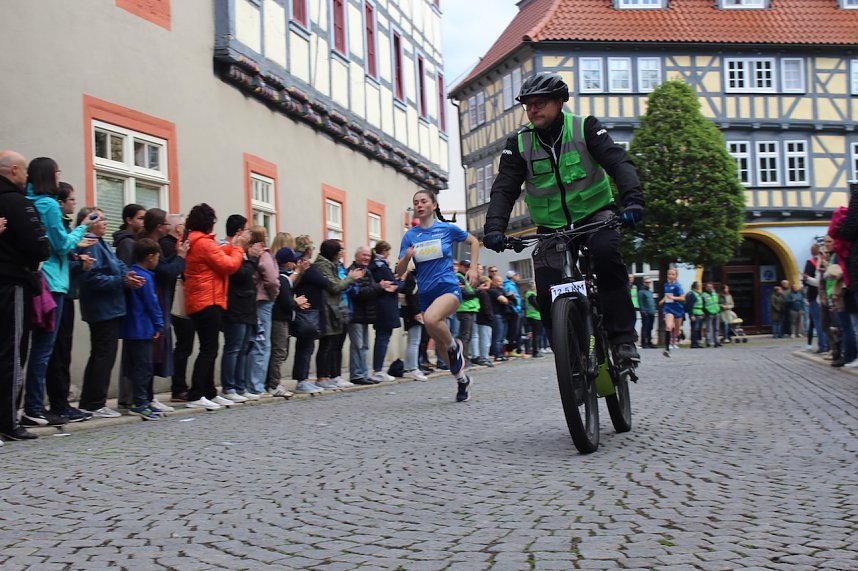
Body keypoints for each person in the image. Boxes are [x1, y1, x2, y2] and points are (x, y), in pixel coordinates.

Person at [482, 72, 644, 371]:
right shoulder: (519, 142)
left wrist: (633, 201)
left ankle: (622, 339)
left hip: (595, 216)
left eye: (540, 103)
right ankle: (570, 358)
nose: (533, 110)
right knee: (546, 289)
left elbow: (618, 162)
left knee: (607, 257)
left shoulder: (585, 128)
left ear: (559, 102)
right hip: (552, 227)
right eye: (528, 105)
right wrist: (494, 228)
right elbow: (504, 188)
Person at [24, 158, 98, 427]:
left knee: (31, 349)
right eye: (57, 173)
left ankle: (33, 405)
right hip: (52, 282)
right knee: (44, 349)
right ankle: (34, 406)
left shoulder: (27, 202)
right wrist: (83, 227)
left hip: (34, 278)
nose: (59, 177)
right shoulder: (49, 205)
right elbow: (62, 245)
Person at [396, 190, 480, 402]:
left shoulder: (447, 229)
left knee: (432, 319)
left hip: (448, 287)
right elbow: (398, 271)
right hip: (426, 293)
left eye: (423, 201)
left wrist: (474, 268)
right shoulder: (410, 236)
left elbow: (474, 241)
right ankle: (462, 380)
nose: (419, 205)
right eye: (416, 202)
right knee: (440, 346)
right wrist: (406, 257)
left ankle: (455, 346)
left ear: (433, 205)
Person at [0, 150, 51, 441]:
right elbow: (39, 247)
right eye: (24, 172)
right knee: (12, 352)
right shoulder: (17, 202)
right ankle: (8, 421)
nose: (27, 177)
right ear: (14, 171)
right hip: (12, 282)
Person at [77, 207, 145, 418]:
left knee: (103, 355)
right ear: (88, 222)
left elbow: (119, 265)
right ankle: (95, 403)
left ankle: (92, 401)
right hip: (102, 308)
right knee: (103, 355)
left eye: (105, 218)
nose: (105, 222)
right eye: (100, 219)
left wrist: (128, 275)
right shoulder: (90, 244)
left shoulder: (103, 243)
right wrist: (121, 280)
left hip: (111, 307)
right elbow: (92, 278)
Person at [183, 203, 247, 410]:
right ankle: (196, 393)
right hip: (208, 299)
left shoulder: (195, 241)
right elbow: (229, 265)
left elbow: (217, 256)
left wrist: (230, 246)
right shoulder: (204, 243)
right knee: (209, 349)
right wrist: (238, 248)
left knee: (209, 348)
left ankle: (209, 392)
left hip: (201, 299)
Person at [45, 182, 95, 422]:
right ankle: (58, 403)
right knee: (57, 351)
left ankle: (61, 402)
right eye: (71, 199)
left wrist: (78, 257)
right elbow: (61, 251)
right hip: (58, 290)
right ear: (60, 203)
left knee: (62, 350)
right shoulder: (59, 225)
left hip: (66, 290)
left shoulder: (65, 226)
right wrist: (79, 262)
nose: (75, 203)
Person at [219, 215, 263, 403]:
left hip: (246, 305)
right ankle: (229, 387)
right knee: (234, 347)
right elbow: (240, 274)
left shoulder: (241, 251)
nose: (249, 234)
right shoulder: (227, 249)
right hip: (235, 305)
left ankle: (240, 386)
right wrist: (253, 258)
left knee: (244, 347)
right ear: (239, 232)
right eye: (246, 230)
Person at [120, 238, 165, 420]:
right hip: (142, 328)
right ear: (150, 257)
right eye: (157, 257)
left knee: (138, 366)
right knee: (143, 367)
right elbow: (152, 303)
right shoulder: (144, 277)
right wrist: (159, 324)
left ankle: (141, 401)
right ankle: (139, 403)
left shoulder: (133, 273)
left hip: (133, 328)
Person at [313, 239, 363, 389]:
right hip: (327, 308)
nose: (342, 253)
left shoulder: (333, 265)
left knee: (334, 344)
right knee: (327, 344)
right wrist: (350, 278)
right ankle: (323, 377)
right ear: (332, 252)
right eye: (339, 250)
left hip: (336, 308)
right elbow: (334, 287)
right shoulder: (322, 266)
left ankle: (332, 375)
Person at [267, 247, 309, 396]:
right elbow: (286, 302)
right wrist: (296, 302)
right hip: (279, 320)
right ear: (288, 263)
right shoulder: (283, 278)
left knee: (279, 351)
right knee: (279, 352)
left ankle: (272, 382)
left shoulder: (281, 276)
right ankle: (274, 384)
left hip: (280, 319)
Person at [162, 213, 194, 402]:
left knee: (185, 345)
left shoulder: (177, 243)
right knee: (183, 345)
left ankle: (180, 385)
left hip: (181, 297)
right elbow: (176, 267)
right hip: (176, 299)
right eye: (183, 225)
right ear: (177, 228)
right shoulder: (168, 244)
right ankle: (178, 387)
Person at [246, 225, 280, 395]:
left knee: (252, 342)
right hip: (263, 301)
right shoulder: (264, 254)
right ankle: (256, 385)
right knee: (262, 344)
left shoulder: (248, 253)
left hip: (251, 300)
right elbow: (272, 279)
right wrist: (274, 294)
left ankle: (249, 384)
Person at [346, 245, 385, 385]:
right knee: (358, 345)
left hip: (364, 314)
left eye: (368, 255)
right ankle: (357, 375)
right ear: (357, 256)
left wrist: (376, 288)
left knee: (364, 346)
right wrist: (379, 287)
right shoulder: (354, 271)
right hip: (355, 313)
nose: (367, 258)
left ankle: (363, 373)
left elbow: (369, 290)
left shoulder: (367, 271)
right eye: (364, 255)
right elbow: (360, 293)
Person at [368, 241, 402, 382]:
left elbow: (392, 284)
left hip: (384, 306)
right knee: (383, 338)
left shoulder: (378, 265)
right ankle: (378, 370)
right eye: (388, 251)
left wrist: (395, 283)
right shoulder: (380, 266)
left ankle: (378, 369)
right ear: (384, 251)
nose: (389, 254)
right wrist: (398, 283)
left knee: (383, 338)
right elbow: (392, 283)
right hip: (384, 307)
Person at [400, 268, 430, 380]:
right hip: (413, 313)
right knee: (414, 341)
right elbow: (411, 296)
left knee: (412, 341)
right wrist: (416, 312)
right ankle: (413, 368)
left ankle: (408, 368)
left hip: (414, 312)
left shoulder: (415, 278)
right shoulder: (412, 278)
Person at [802, 243, 828, 353]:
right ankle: (827, 345)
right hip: (826, 295)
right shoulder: (827, 262)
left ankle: (823, 345)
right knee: (826, 322)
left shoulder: (811, 263)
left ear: (811, 252)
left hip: (814, 295)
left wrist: (806, 279)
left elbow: (807, 281)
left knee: (818, 322)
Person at [454, 259, 479, 365]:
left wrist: (473, 291)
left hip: (470, 309)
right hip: (464, 309)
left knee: (467, 336)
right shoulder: (458, 277)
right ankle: (463, 359)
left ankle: (465, 358)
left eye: (469, 267)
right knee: (464, 336)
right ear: (460, 266)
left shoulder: (467, 277)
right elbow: (466, 294)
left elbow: (469, 292)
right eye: (465, 266)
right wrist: (477, 291)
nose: (467, 268)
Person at [659, 268, 685, 357]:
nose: (670, 276)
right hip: (668, 309)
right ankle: (667, 349)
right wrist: (662, 301)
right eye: (669, 274)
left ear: (676, 276)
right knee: (669, 326)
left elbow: (683, 298)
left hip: (678, 309)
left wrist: (673, 298)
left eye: (673, 274)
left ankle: (680, 332)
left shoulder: (678, 286)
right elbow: (667, 296)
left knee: (676, 332)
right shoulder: (666, 285)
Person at [502, 271, 523, 357]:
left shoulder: (513, 285)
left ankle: (512, 349)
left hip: (517, 310)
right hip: (514, 312)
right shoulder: (509, 286)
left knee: (516, 331)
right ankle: (510, 350)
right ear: (512, 277)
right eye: (516, 275)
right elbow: (511, 299)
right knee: (512, 331)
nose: (518, 276)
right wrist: (515, 309)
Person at [523, 282, 544, 358]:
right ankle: (535, 351)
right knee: (535, 335)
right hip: (534, 316)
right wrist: (542, 309)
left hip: (531, 315)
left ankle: (533, 350)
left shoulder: (528, 294)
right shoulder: (531, 295)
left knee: (533, 334)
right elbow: (536, 305)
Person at [637, 277, 657, 348]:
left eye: (649, 282)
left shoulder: (650, 291)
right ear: (643, 283)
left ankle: (649, 342)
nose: (648, 284)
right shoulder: (641, 292)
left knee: (650, 328)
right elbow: (641, 303)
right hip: (645, 312)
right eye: (646, 282)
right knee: (645, 327)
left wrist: (654, 310)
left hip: (651, 312)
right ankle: (644, 343)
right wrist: (643, 311)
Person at [702, 282, 721, 348]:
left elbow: (717, 302)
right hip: (709, 313)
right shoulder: (704, 295)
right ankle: (708, 342)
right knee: (708, 329)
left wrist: (719, 310)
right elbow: (702, 304)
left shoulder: (715, 294)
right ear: (706, 288)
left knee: (716, 329)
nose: (710, 288)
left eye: (711, 287)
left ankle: (716, 342)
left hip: (717, 313)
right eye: (708, 287)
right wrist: (705, 312)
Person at [686, 281, 704, 348]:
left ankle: (697, 343)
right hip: (694, 313)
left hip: (699, 312)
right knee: (694, 329)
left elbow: (701, 303)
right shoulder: (691, 294)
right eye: (698, 285)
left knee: (698, 329)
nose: (699, 286)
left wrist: (702, 313)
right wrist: (691, 314)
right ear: (695, 286)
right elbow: (689, 305)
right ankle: (693, 343)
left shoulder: (699, 294)